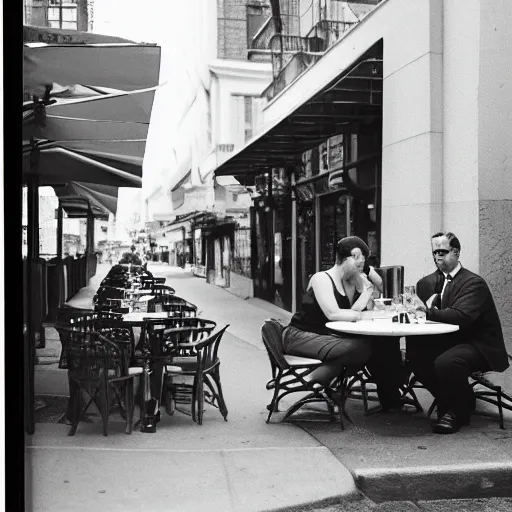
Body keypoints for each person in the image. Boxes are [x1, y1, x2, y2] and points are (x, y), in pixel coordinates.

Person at [282, 236, 405, 410]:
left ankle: (390, 395)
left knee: (380, 343)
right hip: (300, 336)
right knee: (362, 347)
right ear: (350, 257)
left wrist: (366, 287)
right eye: (358, 265)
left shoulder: (352, 282)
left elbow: (366, 302)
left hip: (328, 338)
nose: (359, 270)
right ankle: (315, 382)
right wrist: (361, 312)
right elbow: (334, 314)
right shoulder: (321, 279)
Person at [408, 231, 509, 434]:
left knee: (447, 362)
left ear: (456, 252)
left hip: (479, 344)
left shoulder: (473, 283)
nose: (437, 257)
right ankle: (458, 399)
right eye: (434, 252)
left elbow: (461, 316)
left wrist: (427, 312)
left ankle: (456, 413)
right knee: (416, 357)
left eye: (443, 252)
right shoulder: (429, 282)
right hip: (451, 341)